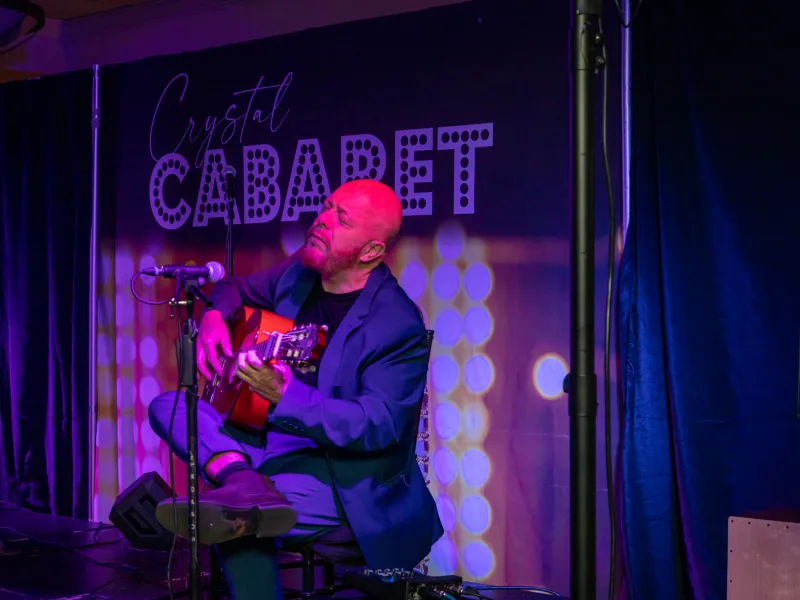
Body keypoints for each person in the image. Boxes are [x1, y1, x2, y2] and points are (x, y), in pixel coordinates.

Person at [147, 179, 443, 599]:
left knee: (238, 520)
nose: (322, 221)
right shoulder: (302, 271)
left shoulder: (395, 324)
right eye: (325, 208)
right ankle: (242, 479)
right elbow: (235, 288)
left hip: (339, 474)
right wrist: (215, 316)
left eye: (341, 220)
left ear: (371, 252)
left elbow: (375, 424)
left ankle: (243, 491)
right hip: (262, 442)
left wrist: (286, 398)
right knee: (169, 406)